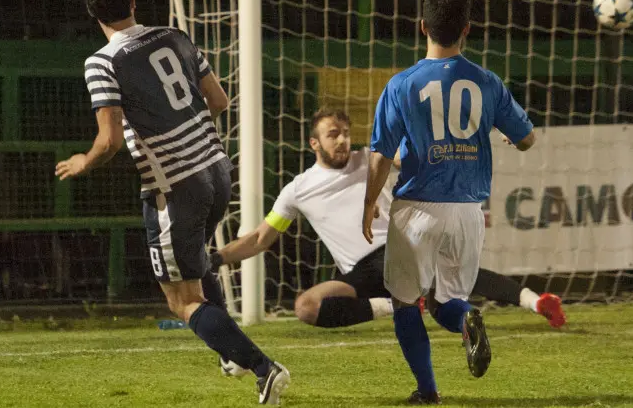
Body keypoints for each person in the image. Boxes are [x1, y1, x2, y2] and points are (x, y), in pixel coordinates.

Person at [55, 0, 290, 405]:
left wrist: (82, 162)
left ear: (93, 14)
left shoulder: (101, 62)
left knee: (180, 300)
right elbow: (218, 100)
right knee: (197, 265)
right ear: (132, 0)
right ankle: (233, 355)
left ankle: (264, 368)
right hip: (217, 171)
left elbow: (108, 141)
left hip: (174, 187)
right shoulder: (175, 36)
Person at [210, 108, 564, 335]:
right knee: (307, 306)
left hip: (398, 248)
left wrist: (485, 134)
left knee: (456, 279)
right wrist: (215, 259)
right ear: (314, 143)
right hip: (363, 274)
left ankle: (537, 301)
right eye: (333, 134)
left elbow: (420, 154)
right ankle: (395, 306)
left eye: (346, 132)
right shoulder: (297, 190)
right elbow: (259, 238)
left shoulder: (369, 158)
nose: (343, 140)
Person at [361, 0, 537, 404]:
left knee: (406, 304)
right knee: (445, 303)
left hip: (417, 207)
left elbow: (381, 155)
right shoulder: (488, 82)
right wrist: (510, 137)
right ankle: (466, 320)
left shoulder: (402, 85)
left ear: (422, 26)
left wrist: (369, 205)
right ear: (467, 30)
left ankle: (427, 391)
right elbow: (528, 139)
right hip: (468, 211)